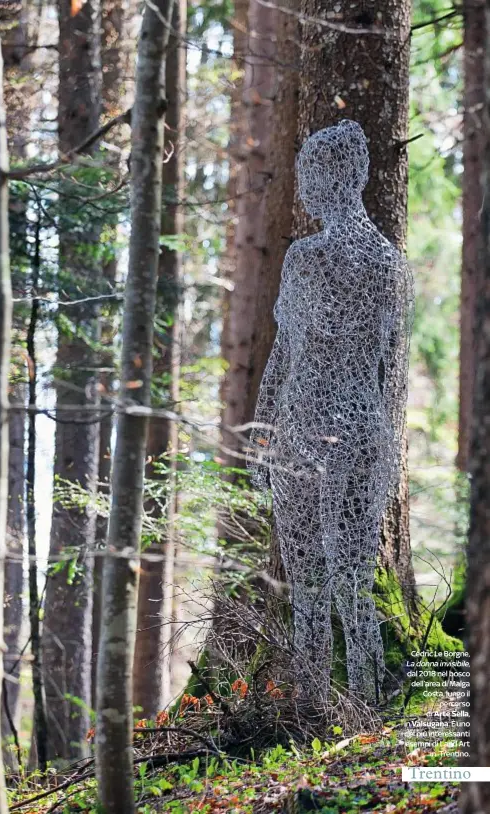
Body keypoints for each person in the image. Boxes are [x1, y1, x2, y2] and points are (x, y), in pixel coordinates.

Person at [249, 120, 413, 703]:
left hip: (308, 427)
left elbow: (285, 355)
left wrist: (264, 435)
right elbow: (394, 378)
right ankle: (361, 706)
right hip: (364, 431)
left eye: (311, 177)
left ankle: (317, 705)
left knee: (313, 586)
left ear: (339, 178)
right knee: (351, 580)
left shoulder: (308, 257)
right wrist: (386, 451)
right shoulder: (391, 264)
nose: (305, 190)